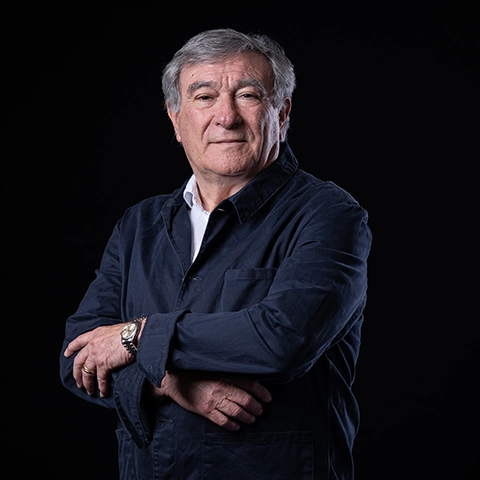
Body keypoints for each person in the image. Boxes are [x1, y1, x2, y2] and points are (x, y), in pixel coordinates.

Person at [60, 28, 372, 479]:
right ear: (175, 119)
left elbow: (281, 339)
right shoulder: (139, 225)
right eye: (204, 97)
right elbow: (77, 359)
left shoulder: (328, 214)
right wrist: (171, 383)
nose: (226, 117)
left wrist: (138, 336)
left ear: (282, 113)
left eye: (247, 95)